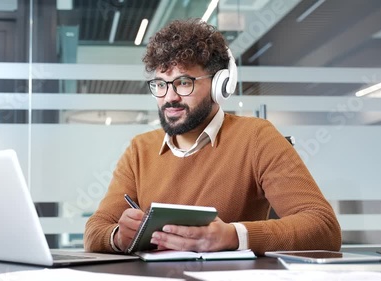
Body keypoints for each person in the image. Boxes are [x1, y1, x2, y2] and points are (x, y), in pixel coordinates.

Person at [84, 18, 341, 255]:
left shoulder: (257, 137)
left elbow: (323, 227)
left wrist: (234, 236)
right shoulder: (139, 149)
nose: (169, 97)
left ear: (221, 85)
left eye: (184, 82)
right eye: (161, 84)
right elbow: (95, 230)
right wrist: (118, 236)